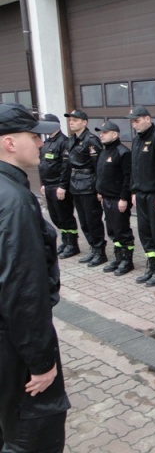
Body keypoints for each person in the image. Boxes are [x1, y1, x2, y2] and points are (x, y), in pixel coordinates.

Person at [0, 103, 70, 452]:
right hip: (16, 348)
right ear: (9, 143)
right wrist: (42, 363)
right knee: (33, 437)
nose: (41, 143)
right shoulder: (14, 202)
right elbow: (23, 291)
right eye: (33, 136)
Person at [128, 106, 155, 287]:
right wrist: (133, 191)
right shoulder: (136, 140)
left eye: (137, 121)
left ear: (147, 119)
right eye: (132, 121)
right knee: (144, 231)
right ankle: (151, 265)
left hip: (154, 195)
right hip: (140, 194)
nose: (134, 124)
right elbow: (134, 168)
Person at [61, 109, 107, 267]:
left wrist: (99, 189)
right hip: (76, 185)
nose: (71, 123)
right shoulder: (71, 140)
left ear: (84, 122)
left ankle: (100, 252)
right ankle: (93, 248)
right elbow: (67, 165)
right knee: (84, 221)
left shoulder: (91, 140)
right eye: (70, 120)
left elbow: (98, 167)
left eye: (75, 120)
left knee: (93, 220)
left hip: (89, 185)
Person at [95, 121, 135, 276]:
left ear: (115, 134)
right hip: (106, 198)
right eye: (100, 132)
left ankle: (127, 261)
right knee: (112, 230)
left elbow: (128, 177)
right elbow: (101, 173)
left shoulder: (123, 152)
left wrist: (124, 198)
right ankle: (119, 258)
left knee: (122, 230)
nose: (101, 135)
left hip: (118, 199)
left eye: (105, 132)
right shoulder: (104, 151)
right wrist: (100, 191)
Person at [38, 113, 81, 259]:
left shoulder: (64, 142)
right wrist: (43, 183)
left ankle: (72, 244)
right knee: (55, 216)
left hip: (59, 186)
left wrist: (62, 186)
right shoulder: (46, 142)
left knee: (65, 215)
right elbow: (42, 165)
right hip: (48, 185)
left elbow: (66, 167)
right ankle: (65, 240)